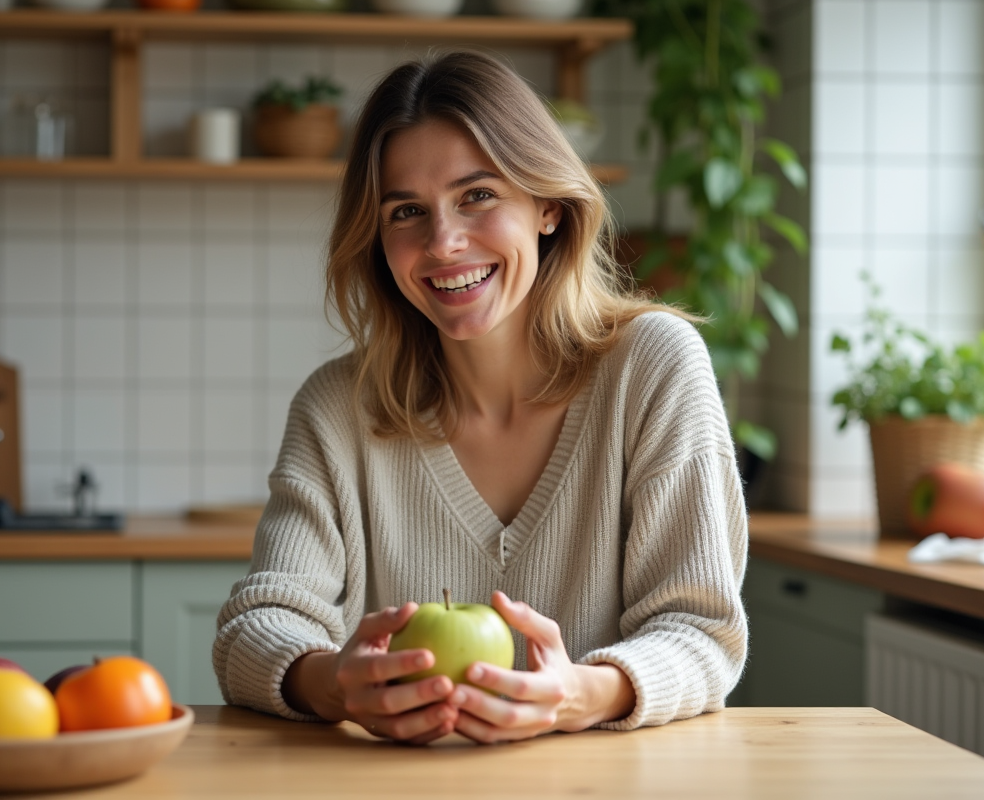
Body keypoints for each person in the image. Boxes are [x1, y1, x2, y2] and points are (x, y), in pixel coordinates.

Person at [213, 50, 748, 746]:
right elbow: (255, 627)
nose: (443, 243)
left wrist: (581, 694)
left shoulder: (653, 368)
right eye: (407, 211)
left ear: (549, 207)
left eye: (477, 196)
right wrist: (332, 683)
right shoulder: (338, 407)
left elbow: (702, 634)